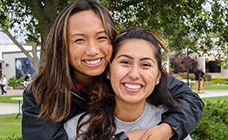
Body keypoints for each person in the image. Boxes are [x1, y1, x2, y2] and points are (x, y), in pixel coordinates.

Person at [22, 1, 204, 140]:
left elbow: (191, 101)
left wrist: (167, 129)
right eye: (79, 40)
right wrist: (129, 137)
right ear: (62, 47)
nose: (93, 50)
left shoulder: (127, 76)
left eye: (101, 37)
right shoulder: (40, 95)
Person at [64, 27, 193, 140]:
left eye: (145, 64)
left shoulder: (171, 127)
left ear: (158, 76)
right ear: (109, 70)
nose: (134, 74)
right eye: (125, 62)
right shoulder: (78, 129)